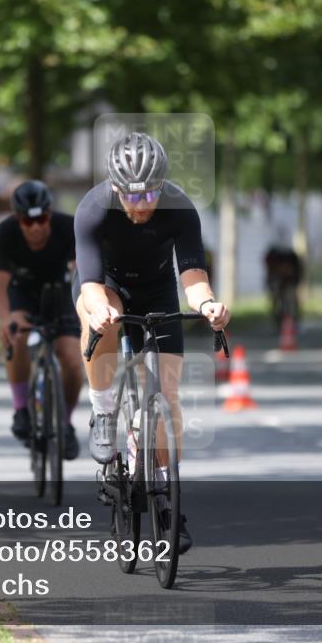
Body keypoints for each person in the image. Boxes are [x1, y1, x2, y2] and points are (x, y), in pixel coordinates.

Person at [74, 132, 231, 554]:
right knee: (96, 318)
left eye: (151, 193)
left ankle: (165, 498)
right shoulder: (93, 208)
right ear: (115, 187)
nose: (142, 203)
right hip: (106, 285)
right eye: (132, 194)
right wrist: (98, 309)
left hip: (159, 291)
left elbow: (193, 277)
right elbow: (88, 285)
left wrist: (209, 305)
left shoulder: (180, 208)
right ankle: (104, 411)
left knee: (167, 394)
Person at [0, 180, 81, 460]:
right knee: (16, 334)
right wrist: (5, 319)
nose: (36, 227)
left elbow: (84, 274)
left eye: (41, 219)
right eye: (28, 222)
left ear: (50, 215)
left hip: (61, 292)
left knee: (73, 357)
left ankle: (64, 423)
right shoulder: (4, 233)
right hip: (23, 293)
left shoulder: (70, 228)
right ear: (18, 220)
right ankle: (21, 409)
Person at [264, 239, 305, 329]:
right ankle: (278, 321)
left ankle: (294, 321)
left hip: (290, 281)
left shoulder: (292, 258)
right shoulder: (272, 257)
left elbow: (298, 273)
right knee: (276, 300)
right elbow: (269, 274)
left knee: (291, 299)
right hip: (276, 280)